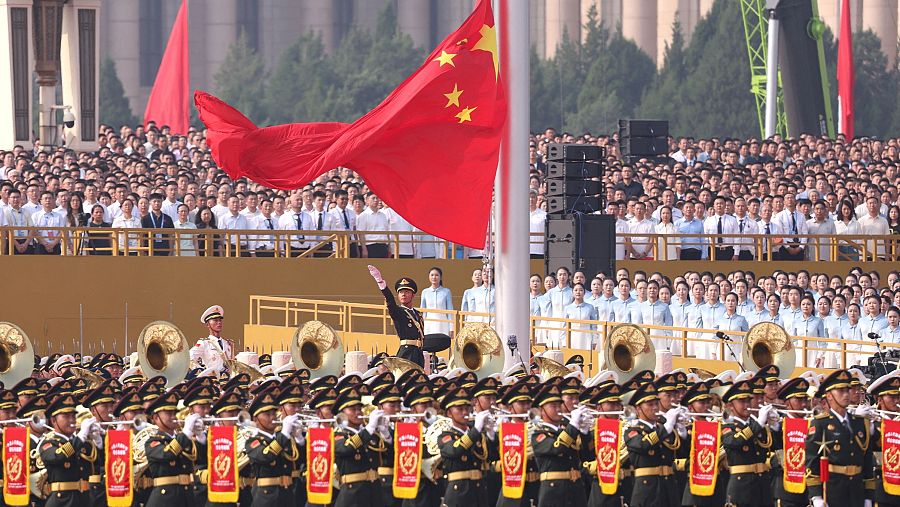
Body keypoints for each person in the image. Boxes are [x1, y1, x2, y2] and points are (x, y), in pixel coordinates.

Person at [805, 370, 875, 507]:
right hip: (833, 491)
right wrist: (816, 496)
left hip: (857, 491)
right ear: (829, 396)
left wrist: (868, 496)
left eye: (847, 390)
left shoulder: (860, 423)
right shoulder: (820, 424)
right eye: (841, 391)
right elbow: (812, 461)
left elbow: (867, 461)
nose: (846, 394)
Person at [624, 381, 682, 507]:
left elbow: (679, 451)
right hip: (647, 491)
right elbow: (643, 445)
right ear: (638, 409)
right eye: (650, 404)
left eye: (656, 403)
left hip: (669, 488)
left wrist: (682, 431)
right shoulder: (632, 431)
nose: (655, 407)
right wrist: (667, 427)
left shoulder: (663, 428)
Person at [721, 379, 776, 507]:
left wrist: (775, 427)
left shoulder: (755, 426)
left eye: (748, 400)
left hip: (762, 486)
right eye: (741, 401)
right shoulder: (727, 427)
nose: (746, 405)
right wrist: (759, 424)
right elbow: (734, 441)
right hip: (742, 488)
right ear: (730, 406)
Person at [144, 389, 201, 507]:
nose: (174, 417)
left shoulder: (184, 439)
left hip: (187, 497)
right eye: (168, 413)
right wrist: (186, 433)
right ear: (155, 418)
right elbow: (168, 453)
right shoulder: (153, 442)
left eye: (174, 413)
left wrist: (201, 436)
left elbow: (201, 460)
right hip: (165, 499)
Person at [368, 265, 426, 367]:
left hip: (418, 353)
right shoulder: (398, 312)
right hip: (406, 353)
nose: (403, 294)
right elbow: (390, 301)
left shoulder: (418, 314)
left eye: (407, 292)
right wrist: (381, 282)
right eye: (401, 292)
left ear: (413, 295)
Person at [189, 305, 233, 374]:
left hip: (227, 380)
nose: (219, 323)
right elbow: (189, 358)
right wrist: (202, 371)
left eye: (220, 320)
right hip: (212, 379)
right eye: (215, 320)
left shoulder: (227, 344)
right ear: (207, 324)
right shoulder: (204, 343)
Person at [419, 267, 454, 336]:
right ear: (429, 277)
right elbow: (422, 311)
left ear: (440, 277)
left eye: (436, 275)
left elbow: (450, 311)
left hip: (443, 323)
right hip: (428, 323)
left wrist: (451, 328)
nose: (434, 277)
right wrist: (421, 326)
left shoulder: (446, 291)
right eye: (432, 275)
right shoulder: (425, 292)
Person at [564, 282, 598, 349]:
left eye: (581, 290)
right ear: (572, 293)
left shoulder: (590, 307)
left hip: (586, 337)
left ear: (584, 292)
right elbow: (564, 326)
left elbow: (594, 325)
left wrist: (594, 340)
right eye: (576, 290)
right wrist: (564, 342)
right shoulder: (568, 308)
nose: (578, 292)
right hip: (572, 336)